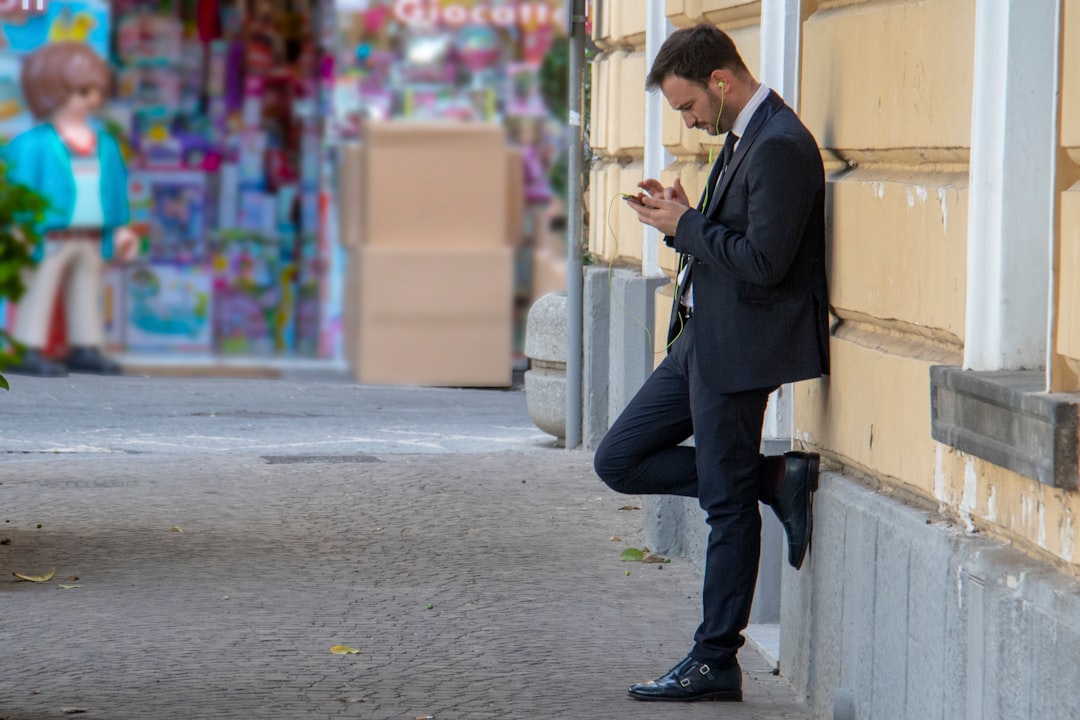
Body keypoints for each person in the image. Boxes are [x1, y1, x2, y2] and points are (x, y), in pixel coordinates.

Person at [593, 23, 829, 702]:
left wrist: (686, 228)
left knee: (726, 508)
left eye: (688, 106)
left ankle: (715, 660)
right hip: (704, 337)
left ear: (720, 82)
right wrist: (682, 216)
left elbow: (765, 262)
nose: (689, 122)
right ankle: (773, 477)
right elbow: (738, 241)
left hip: (740, 348)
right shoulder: (745, 137)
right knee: (620, 458)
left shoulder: (782, 145)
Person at [3, 41, 138, 377]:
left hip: (91, 233)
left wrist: (120, 230)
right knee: (38, 288)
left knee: (87, 289)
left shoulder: (104, 145)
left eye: (95, 90)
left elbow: (114, 191)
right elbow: (17, 191)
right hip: (47, 234)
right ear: (51, 91)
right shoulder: (32, 145)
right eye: (82, 90)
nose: (92, 99)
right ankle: (26, 346)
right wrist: (18, 229)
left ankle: (86, 345)